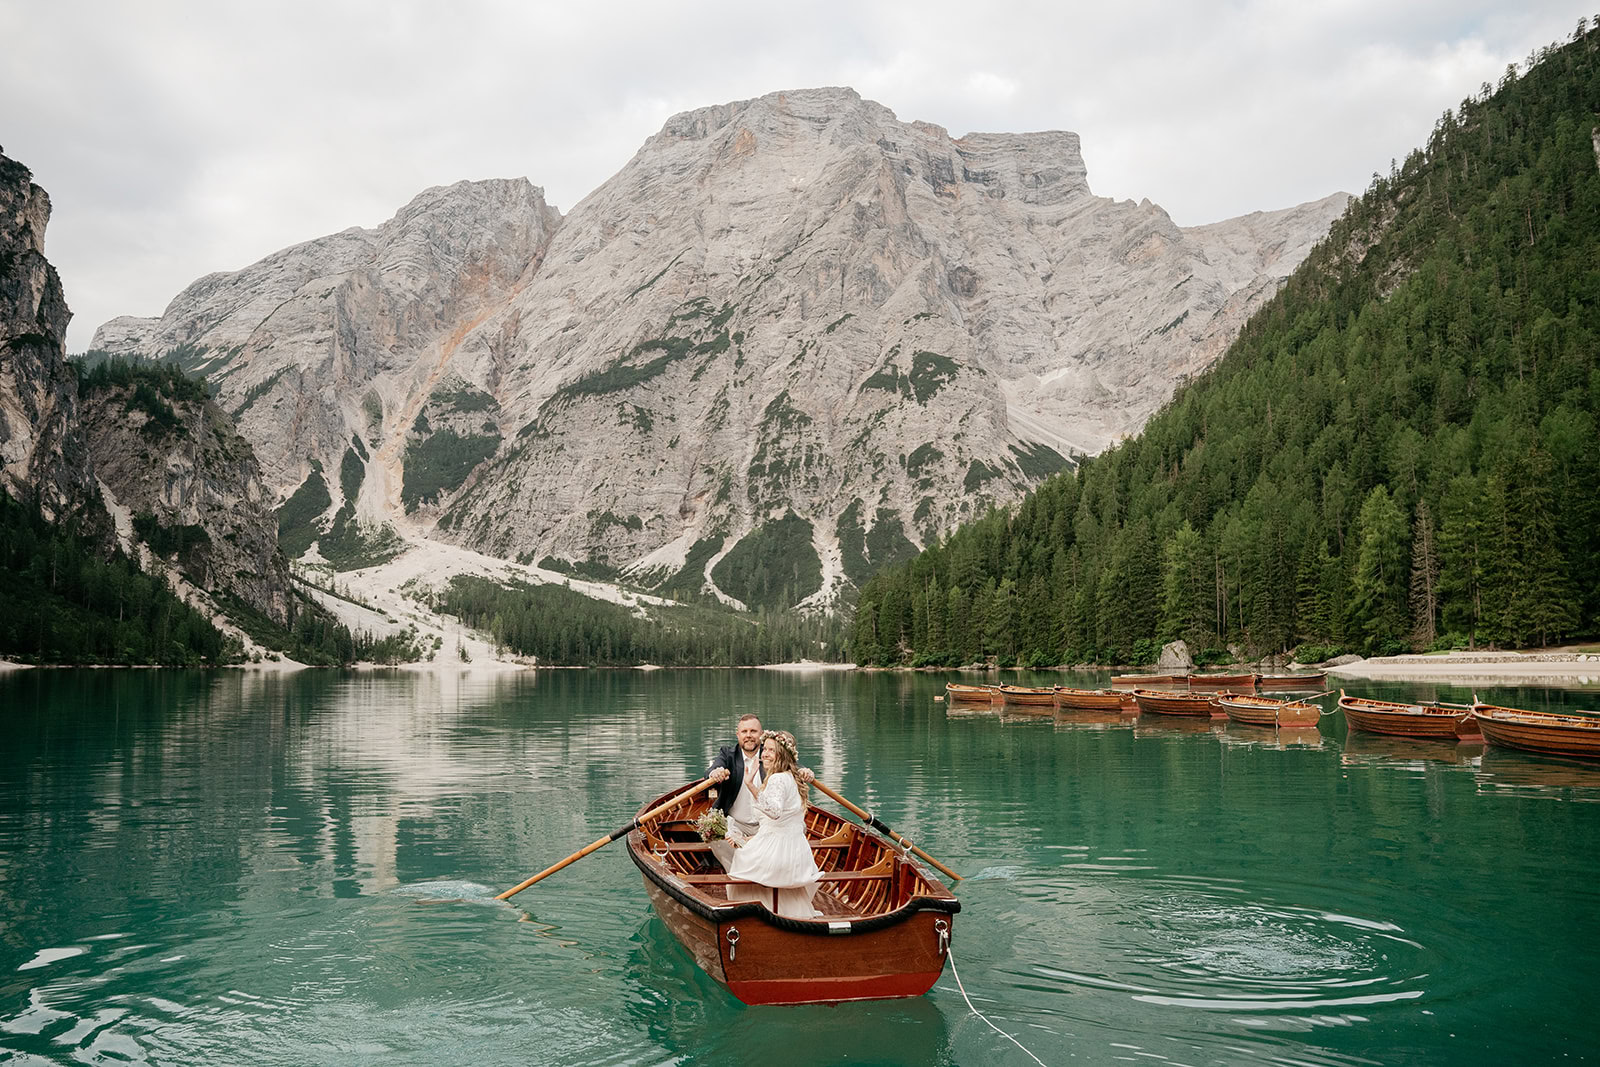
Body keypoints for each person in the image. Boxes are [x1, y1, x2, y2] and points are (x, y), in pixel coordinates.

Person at [725, 730, 822, 919]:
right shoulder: (791, 777)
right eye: (765, 749)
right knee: (745, 846)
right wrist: (749, 838)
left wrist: (750, 784)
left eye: (771, 750)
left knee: (740, 859)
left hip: (780, 851)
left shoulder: (777, 779)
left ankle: (760, 913)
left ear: (782, 755)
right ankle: (785, 913)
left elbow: (775, 813)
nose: (765, 754)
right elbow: (781, 823)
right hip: (797, 850)